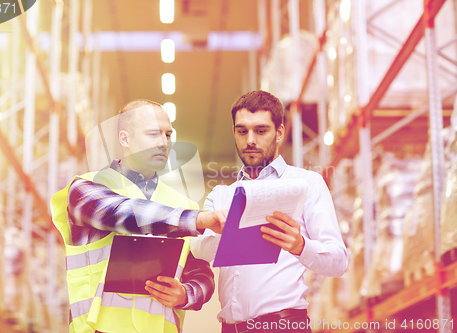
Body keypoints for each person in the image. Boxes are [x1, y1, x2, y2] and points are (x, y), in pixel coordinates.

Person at [51, 99, 227, 333]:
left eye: (168, 134)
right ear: (125, 139)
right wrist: (197, 220)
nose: (164, 143)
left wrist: (186, 293)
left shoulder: (183, 205)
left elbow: (201, 273)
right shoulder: (86, 188)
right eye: (153, 134)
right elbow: (122, 213)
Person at [190, 91, 348, 333]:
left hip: (283, 326)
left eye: (261, 131)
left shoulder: (307, 183)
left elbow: (338, 261)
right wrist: (227, 230)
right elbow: (199, 249)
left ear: (280, 133)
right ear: (234, 132)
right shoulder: (221, 195)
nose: (250, 140)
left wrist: (300, 246)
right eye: (242, 131)